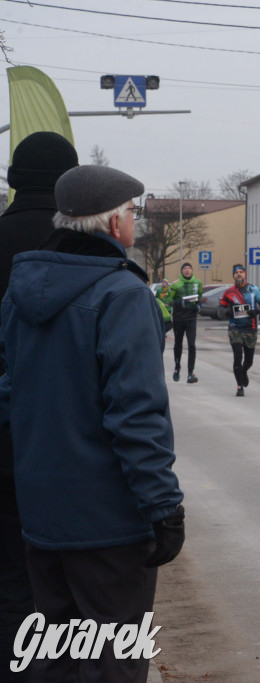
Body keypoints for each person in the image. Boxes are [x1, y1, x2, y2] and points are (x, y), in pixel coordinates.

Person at [0, 164, 184, 682]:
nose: (133, 222)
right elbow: (136, 414)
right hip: (109, 524)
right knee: (112, 664)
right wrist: (164, 505)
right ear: (111, 225)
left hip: (41, 517)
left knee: (57, 658)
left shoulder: (18, 293)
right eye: (130, 213)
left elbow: (13, 394)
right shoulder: (121, 296)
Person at [0, 130, 78, 681]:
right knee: (70, 574)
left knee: (9, 572)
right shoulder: (82, 251)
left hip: (2, 432)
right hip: (67, 440)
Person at [219, 264, 260, 397]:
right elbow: (220, 308)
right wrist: (226, 312)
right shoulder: (229, 292)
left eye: (241, 272)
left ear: (245, 274)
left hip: (251, 328)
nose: (238, 274)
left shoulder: (253, 289)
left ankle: (244, 372)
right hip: (235, 328)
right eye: (236, 272)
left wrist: (256, 311)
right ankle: (239, 386)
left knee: (249, 360)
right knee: (237, 356)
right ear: (233, 275)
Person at [170, 262, 202, 383]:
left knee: (192, 345)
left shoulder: (197, 282)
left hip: (191, 319)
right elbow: (169, 300)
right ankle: (177, 367)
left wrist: (199, 307)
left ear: (192, 271)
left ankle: (190, 373)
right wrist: (179, 304)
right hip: (178, 318)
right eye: (185, 268)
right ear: (181, 271)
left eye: (189, 268)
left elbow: (200, 298)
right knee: (178, 344)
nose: (187, 270)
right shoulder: (176, 284)